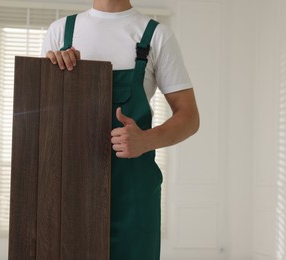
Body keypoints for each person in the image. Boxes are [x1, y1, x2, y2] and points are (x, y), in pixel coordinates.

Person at [41, 0, 200, 259]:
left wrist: (146, 140)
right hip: (69, 186)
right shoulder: (61, 32)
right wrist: (52, 72)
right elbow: (46, 116)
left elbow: (190, 117)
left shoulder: (156, 35)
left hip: (133, 192)